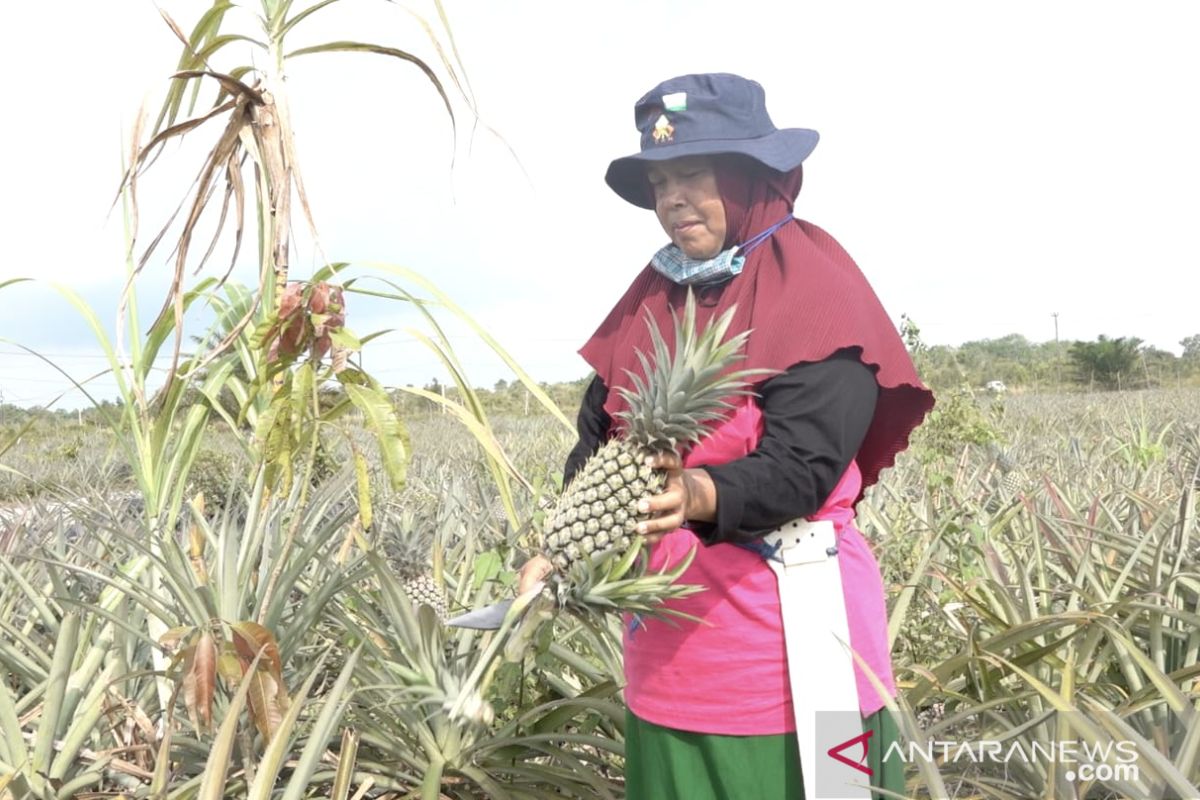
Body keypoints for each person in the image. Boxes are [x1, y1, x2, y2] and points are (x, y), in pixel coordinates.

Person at [520, 72, 933, 800]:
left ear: (750, 177)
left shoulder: (818, 291)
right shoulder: (656, 296)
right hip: (670, 653)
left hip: (796, 640)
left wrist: (700, 489)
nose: (670, 198)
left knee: (829, 788)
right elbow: (596, 441)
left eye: (691, 174)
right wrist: (557, 548)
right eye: (658, 181)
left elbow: (804, 466)